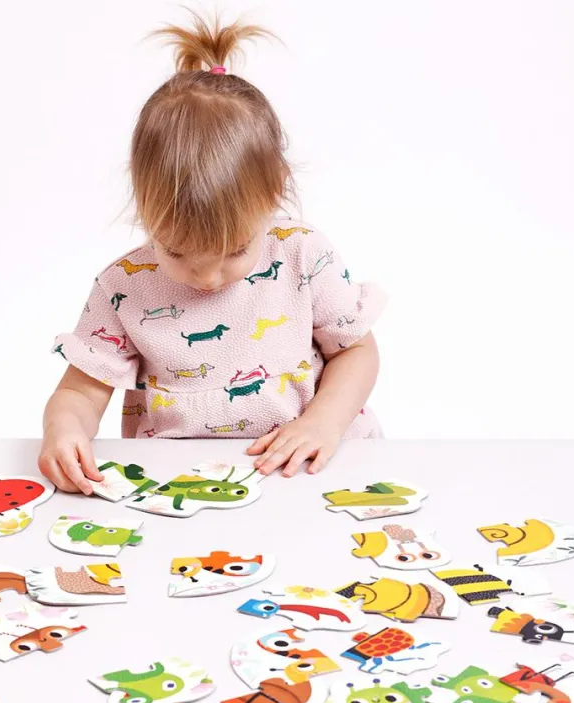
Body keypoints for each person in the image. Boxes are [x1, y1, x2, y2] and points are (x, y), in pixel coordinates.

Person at [39, 10, 386, 494]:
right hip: (183, 484)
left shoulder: (302, 256)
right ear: (145, 206)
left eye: (235, 250)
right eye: (177, 252)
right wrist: (64, 429)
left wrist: (322, 422)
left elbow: (357, 352)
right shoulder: (125, 286)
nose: (207, 277)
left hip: (309, 472)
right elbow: (80, 391)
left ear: (273, 195)